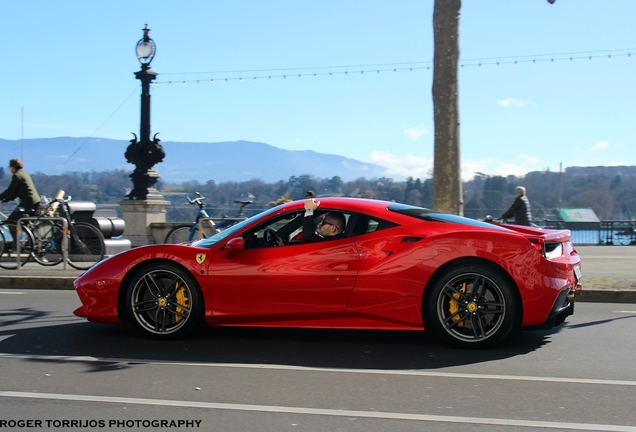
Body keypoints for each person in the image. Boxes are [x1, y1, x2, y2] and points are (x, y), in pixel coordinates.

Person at [0, 158, 41, 225]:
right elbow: (16, 191)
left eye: (10, 167)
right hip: (34, 201)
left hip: (28, 203)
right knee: (23, 223)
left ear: (13, 167)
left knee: (11, 222)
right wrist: (7, 199)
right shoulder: (24, 173)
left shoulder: (17, 176)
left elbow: (10, 190)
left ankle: (17, 235)